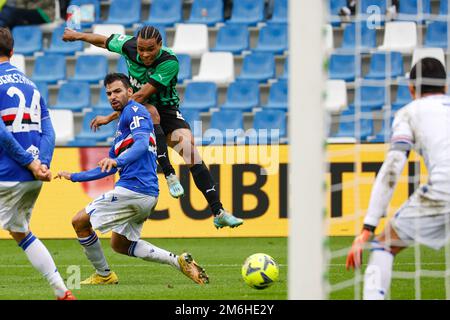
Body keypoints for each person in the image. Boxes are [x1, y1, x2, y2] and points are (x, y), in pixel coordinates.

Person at [62, 25, 244, 229]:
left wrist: (109, 117)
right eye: (141, 49)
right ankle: (169, 174)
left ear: (160, 45)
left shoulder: (169, 62)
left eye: (150, 49)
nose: (145, 54)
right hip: (143, 110)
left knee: (190, 151)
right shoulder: (128, 45)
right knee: (151, 112)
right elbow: (102, 40)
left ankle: (218, 211)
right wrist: (77, 35)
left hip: (167, 109)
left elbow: (139, 96)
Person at [55, 73, 209, 286]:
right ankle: (177, 261)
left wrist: (117, 162)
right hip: (145, 194)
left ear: (130, 92)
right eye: (108, 93)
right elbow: (107, 168)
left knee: (79, 222)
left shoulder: (136, 111)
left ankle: (104, 275)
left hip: (134, 190)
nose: (112, 97)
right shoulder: (122, 125)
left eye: (117, 91)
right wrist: (74, 176)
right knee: (120, 244)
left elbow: (141, 144)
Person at [346, 57, 450, 300]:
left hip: (444, 189)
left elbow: (393, 167)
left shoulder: (409, 113)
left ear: (411, 88)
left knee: (383, 245)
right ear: (445, 87)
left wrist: (367, 227)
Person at [0, 27, 75, 300]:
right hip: (30, 177)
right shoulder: (31, 85)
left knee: (19, 231)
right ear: (12, 52)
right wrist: (41, 163)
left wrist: (30, 163)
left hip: (7, 172)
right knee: (20, 231)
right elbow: (49, 131)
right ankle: (61, 291)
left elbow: (1, 133)